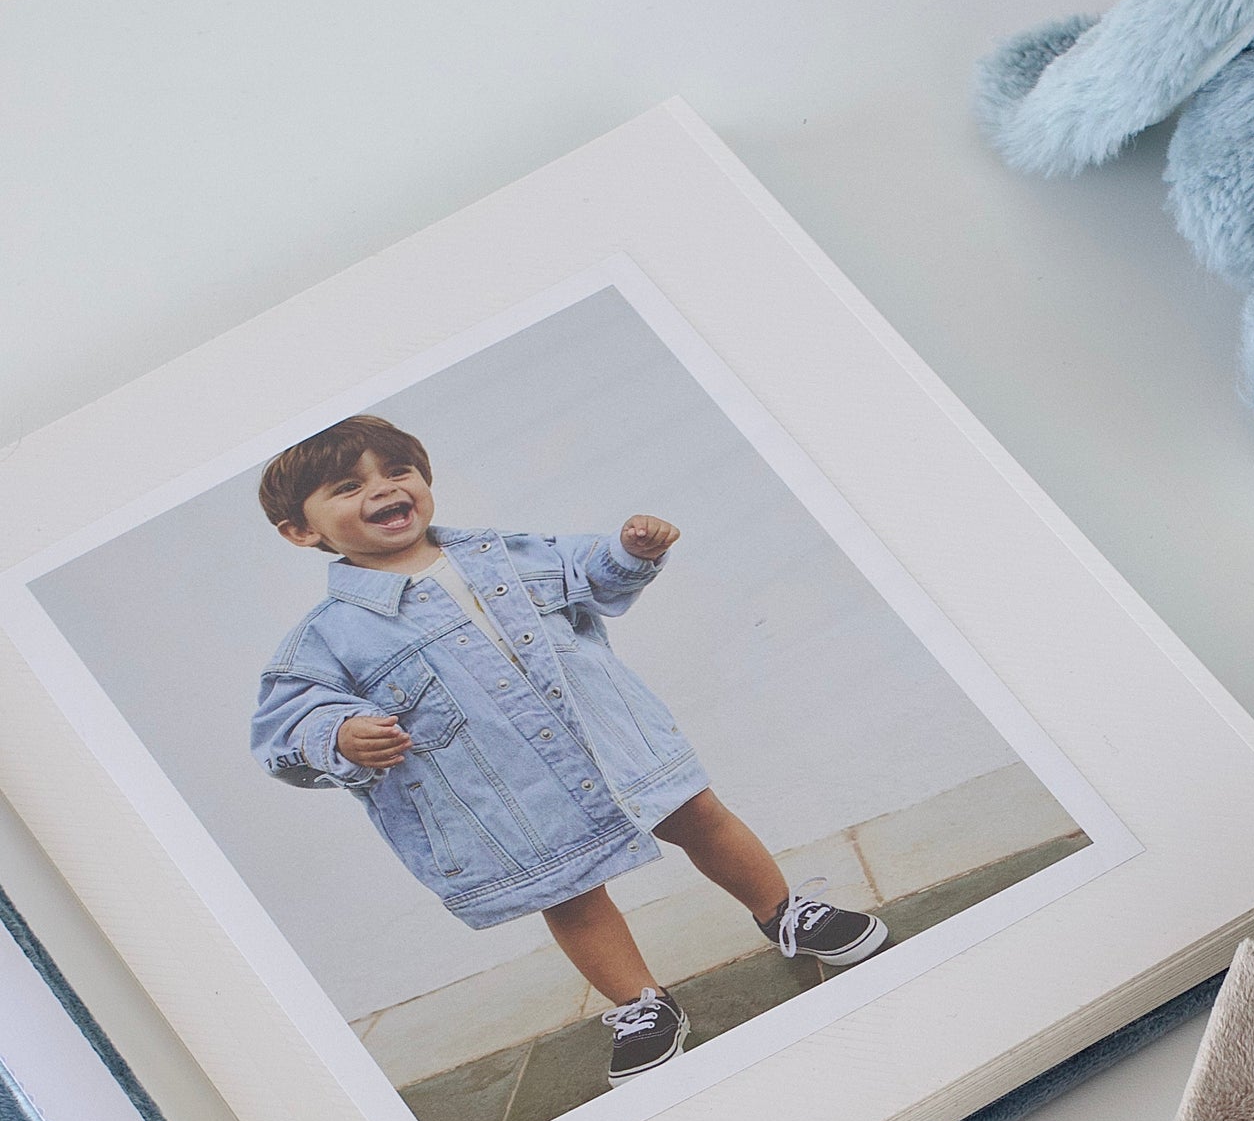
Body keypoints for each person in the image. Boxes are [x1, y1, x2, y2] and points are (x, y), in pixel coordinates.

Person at [250, 414, 888, 1085]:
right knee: (570, 892)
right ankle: (642, 1004)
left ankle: (785, 912)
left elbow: (592, 576)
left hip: (614, 740)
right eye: (349, 487)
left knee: (701, 818)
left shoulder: (504, 554)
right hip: (516, 793)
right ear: (301, 531)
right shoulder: (328, 637)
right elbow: (286, 725)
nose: (383, 489)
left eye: (397, 471)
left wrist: (629, 553)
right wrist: (339, 732)